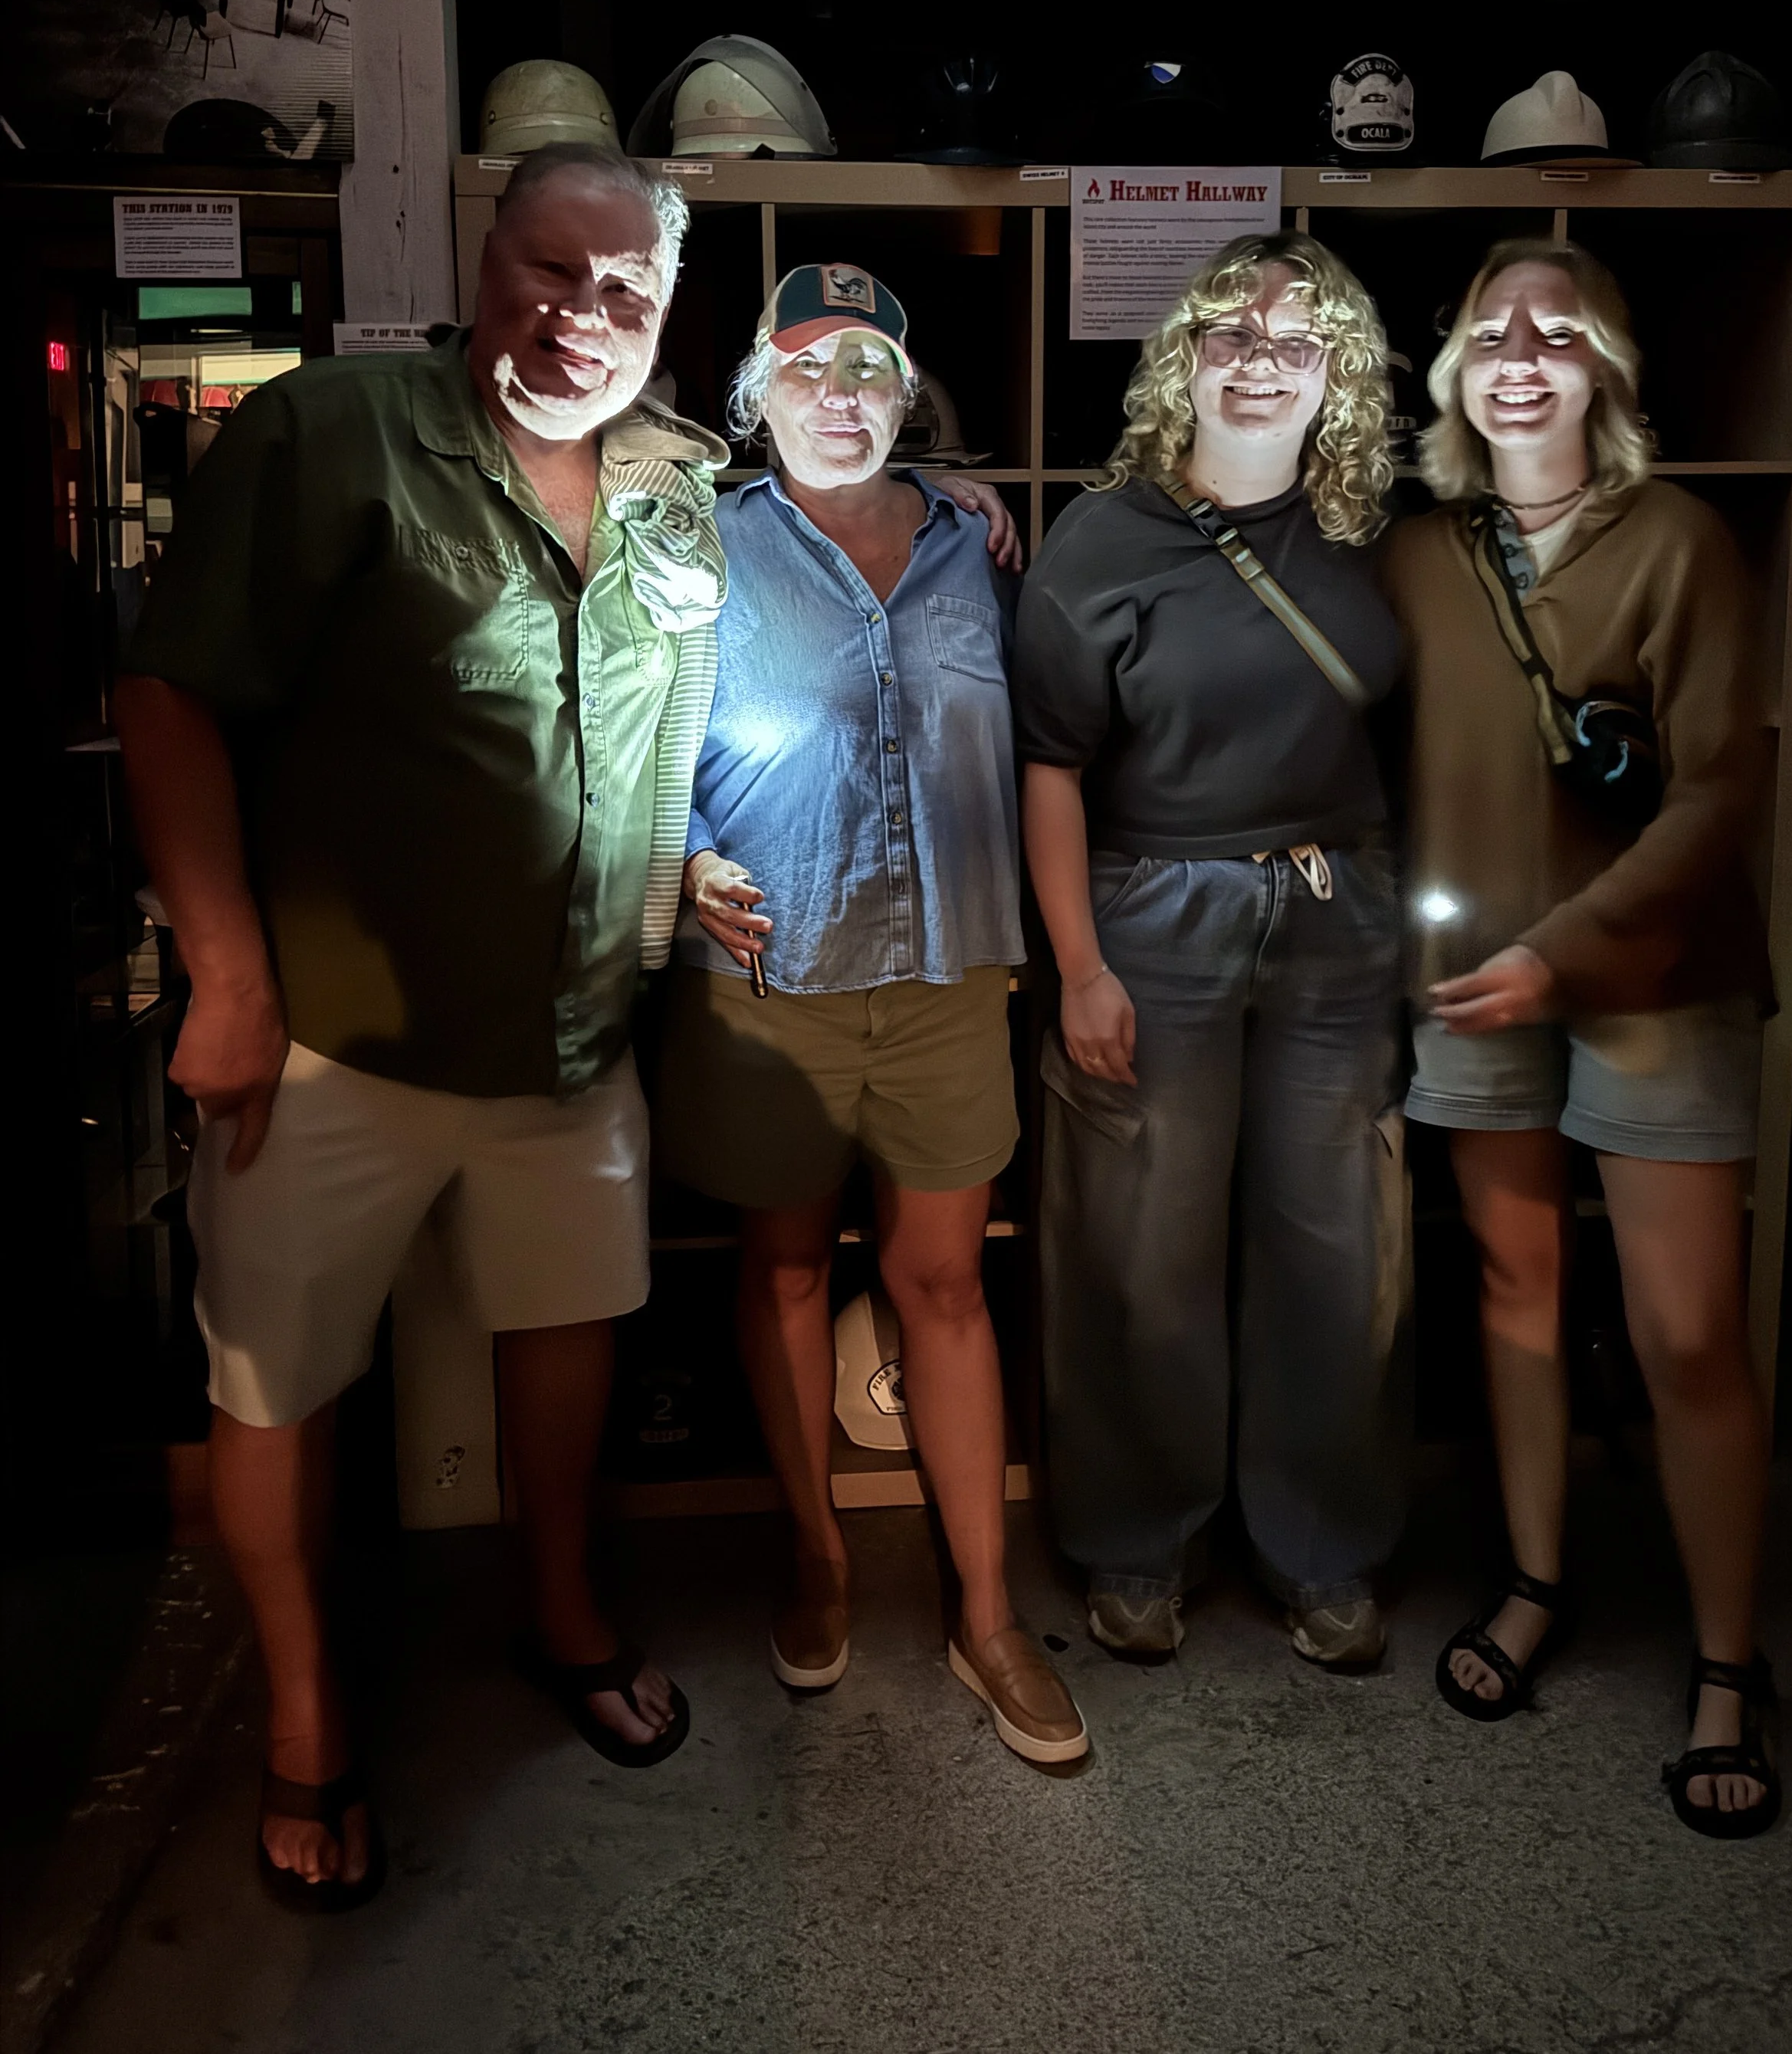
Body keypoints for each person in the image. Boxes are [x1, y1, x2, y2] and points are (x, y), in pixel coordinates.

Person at [116, 146, 728, 1909]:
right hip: (333, 1041)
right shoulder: (329, 434)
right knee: (278, 1375)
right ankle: (307, 1715)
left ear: (663, 310)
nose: (581, 315)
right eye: (549, 269)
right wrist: (227, 979)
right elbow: (167, 694)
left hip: (573, 1031)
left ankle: (561, 1609)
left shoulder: (675, 486)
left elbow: (675, 715)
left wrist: (948, 510)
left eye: (623, 289)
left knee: (567, 1324)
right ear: (485, 260)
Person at [655, 262, 1087, 1768]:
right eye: (806, 367)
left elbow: (1041, 746)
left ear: (908, 400)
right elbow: (631, 736)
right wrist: (682, 859)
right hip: (770, 974)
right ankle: (820, 1555)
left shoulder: (978, 546)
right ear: (754, 394)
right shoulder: (699, 540)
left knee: (945, 1284)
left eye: (868, 371)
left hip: (949, 973)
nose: (837, 396)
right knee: (782, 1265)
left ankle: (987, 1613)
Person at [1380, 237, 1779, 1839]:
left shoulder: (1679, 539)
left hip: (1652, 983)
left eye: (1556, 332)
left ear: (1606, 368)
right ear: (1455, 377)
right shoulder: (1417, 555)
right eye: (1491, 334)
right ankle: (1537, 1579)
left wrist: (1566, 954)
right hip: (1477, 978)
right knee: (1516, 1289)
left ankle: (1729, 1661)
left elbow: (1719, 791)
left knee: (1687, 1332)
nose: (1521, 356)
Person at [1016, 231, 1406, 1670]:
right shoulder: (1101, 540)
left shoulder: (1372, 532)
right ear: (1182, 357)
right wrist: (1080, 968)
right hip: (1154, 912)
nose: (1260, 363)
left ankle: (1322, 1543)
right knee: (1143, 1241)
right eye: (1231, 335)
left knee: (1334, 1239)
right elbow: (1049, 765)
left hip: (1338, 913)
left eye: (1297, 344)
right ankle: (1139, 1540)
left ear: (1337, 377)